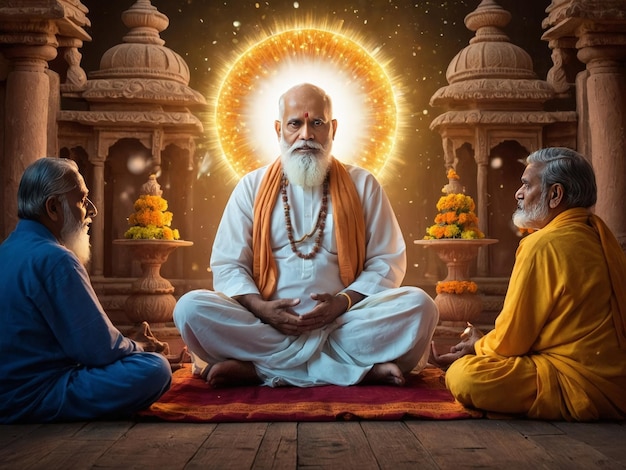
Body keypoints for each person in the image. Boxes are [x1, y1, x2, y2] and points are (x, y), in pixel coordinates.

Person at [174, 83, 439, 388]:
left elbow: (386, 262)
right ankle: (358, 369)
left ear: (333, 128)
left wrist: (341, 303)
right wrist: (263, 310)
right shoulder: (251, 186)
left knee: (420, 306)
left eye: (316, 123)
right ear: (278, 129)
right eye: (295, 123)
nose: (306, 135)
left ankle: (260, 369)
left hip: (344, 322)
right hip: (266, 325)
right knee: (190, 308)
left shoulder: (363, 184)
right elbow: (229, 264)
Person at [430, 147, 626, 421]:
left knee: (465, 376)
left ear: (556, 195)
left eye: (526, 185)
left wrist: (479, 346)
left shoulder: (541, 245)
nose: (518, 194)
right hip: (618, 382)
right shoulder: (600, 237)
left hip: (576, 381)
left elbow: (512, 341)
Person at [0, 157, 172, 423]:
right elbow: (99, 350)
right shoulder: (56, 258)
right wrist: (140, 346)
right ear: (53, 207)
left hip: (8, 392)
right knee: (154, 368)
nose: (91, 211)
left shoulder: (6, 250)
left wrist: (124, 343)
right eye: (81, 200)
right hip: (35, 396)